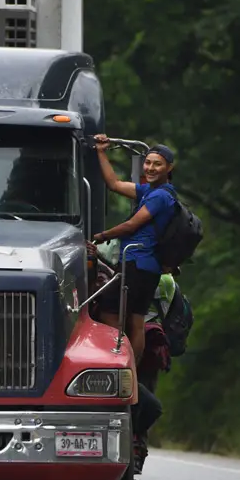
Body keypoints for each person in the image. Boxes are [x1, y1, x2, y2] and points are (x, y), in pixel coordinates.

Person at [90, 135, 177, 367]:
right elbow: (114, 184)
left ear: (169, 168)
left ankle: (117, 361)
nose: (150, 168)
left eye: (157, 164)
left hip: (139, 262)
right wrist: (101, 152)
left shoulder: (160, 196)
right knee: (136, 317)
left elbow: (131, 225)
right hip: (148, 266)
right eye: (148, 163)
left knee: (109, 309)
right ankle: (132, 367)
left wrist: (101, 237)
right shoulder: (149, 191)